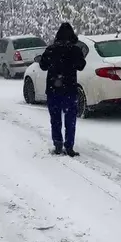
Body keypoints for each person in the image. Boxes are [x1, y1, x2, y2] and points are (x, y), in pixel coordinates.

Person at [39, 22, 86, 156]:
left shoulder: (51, 49)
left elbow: (42, 65)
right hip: (69, 89)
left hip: (53, 89)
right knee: (70, 119)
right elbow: (81, 65)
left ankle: (58, 144)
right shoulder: (75, 50)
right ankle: (69, 146)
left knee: (55, 118)